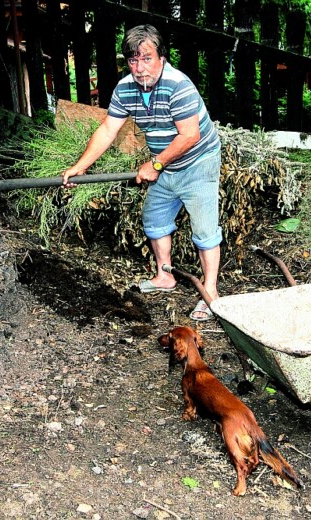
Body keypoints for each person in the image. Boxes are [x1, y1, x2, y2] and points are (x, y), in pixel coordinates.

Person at [62, 24, 222, 321]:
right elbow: (109, 128)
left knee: (204, 229)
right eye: (133, 60)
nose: (139, 67)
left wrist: (156, 164)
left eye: (146, 58)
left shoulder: (178, 85)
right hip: (165, 164)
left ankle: (210, 293)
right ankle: (165, 276)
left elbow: (189, 136)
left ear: (162, 56)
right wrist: (80, 166)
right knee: (155, 217)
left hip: (198, 162)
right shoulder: (125, 89)